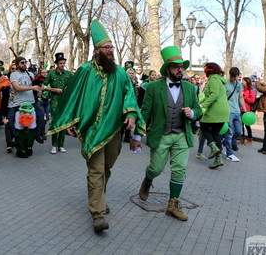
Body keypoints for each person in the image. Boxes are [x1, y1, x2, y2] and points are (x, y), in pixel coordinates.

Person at [48, 20, 144, 232]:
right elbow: (72, 97)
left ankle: (98, 198)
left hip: (114, 131)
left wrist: (130, 114)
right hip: (92, 130)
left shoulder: (120, 73)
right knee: (96, 171)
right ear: (97, 50)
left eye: (112, 47)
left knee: (106, 169)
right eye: (107, 47)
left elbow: (129, 95)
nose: (111, 51)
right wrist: (68, 121)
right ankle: (97, 213)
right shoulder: (83, 71)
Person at [132, 46, 201, 221]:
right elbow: (145, 113)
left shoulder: (190, 88)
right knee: (156, 168)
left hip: (181, 135)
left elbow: (198, 110)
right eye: (176, 66)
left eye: (181, 66)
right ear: (168, 69)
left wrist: (192, 113)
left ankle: (173, 205)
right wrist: (137, 137)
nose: (180, 69)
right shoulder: (154, 87)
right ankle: (148, 180)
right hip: (161, 134)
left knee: (179, 169)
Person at [6, 56, 45, 157]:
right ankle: (17, 143)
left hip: (31, 102)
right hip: (18, 104)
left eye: (25, 62)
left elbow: (38, 86)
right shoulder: (13, 75)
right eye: (22, 63)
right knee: (11, 122)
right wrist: (32, 87)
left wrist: (45, 88)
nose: (24, 64)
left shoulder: (30, 74)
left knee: (41, 116)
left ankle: (37, 136)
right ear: (18, 64)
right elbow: (17, 88)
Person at [198, 62, 229, 169]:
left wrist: (203, 105)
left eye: (205, 69)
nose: (204, 72)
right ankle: (218, 159)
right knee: (216, 134)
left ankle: (213, 147)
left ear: (209, 70)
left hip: (216, 109)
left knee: (203, 126)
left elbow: (214, 94)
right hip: (223, 111)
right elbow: (207, 95)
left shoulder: (214, 79)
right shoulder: (219, 80)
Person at [44, 53, 73, 154]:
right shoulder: (51, 74)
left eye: (64, 63)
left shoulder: (69, 74)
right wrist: (54, 89)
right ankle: (54, 145)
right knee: (55, 122)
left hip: (65, 102)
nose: (62, 65)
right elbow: (43, 86)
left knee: (63, 123)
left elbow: (74, 85)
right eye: (60, 63)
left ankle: (61, 145)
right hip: (55, 101)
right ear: (56, 63)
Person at [221, 67, 247, 162]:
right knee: (230, 133)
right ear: (230, 75)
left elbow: (240, 97)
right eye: (233, 77)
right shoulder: (224, 84)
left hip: (237, 111)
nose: (234, 79)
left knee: (239, 132)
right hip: (228, 112)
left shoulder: (238, 84)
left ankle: (223, 142)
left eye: (236, 77)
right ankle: (229, 154)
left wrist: (244, 109)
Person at [240, 77, 256, 146]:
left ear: (247, 82)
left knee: (247, 125)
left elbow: (252, 100)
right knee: (241, 125)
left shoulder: (251, 90)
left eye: (243, 81)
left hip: (247, 110)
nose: (242, 82)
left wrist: (244, 97)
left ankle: (250, 139)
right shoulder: (242, 89)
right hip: (241, 109)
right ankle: (242, 138)